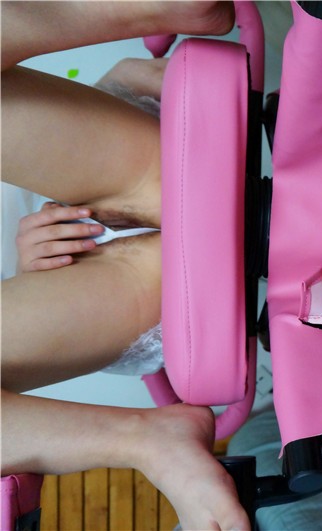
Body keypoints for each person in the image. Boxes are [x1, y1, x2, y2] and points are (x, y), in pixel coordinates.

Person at [1, 2, 251, 529]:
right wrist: (32, 275)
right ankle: (144, 440)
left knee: (148, 183)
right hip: (114, 278)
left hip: (125, 168)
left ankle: (143, 8)